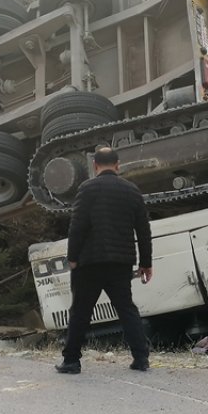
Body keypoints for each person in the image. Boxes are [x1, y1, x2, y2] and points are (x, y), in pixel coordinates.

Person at [57, 146, 153, 375]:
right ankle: (141, 358)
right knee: (126, 309)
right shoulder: (132, 191)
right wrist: (146, 263)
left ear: (95, 166)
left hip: (89, 262)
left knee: (80, 311)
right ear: (118, 165)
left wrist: (72, 257)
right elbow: (143, 230)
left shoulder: (86, 189)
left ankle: (71, 361)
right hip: (120, 263)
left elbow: (77, 226)